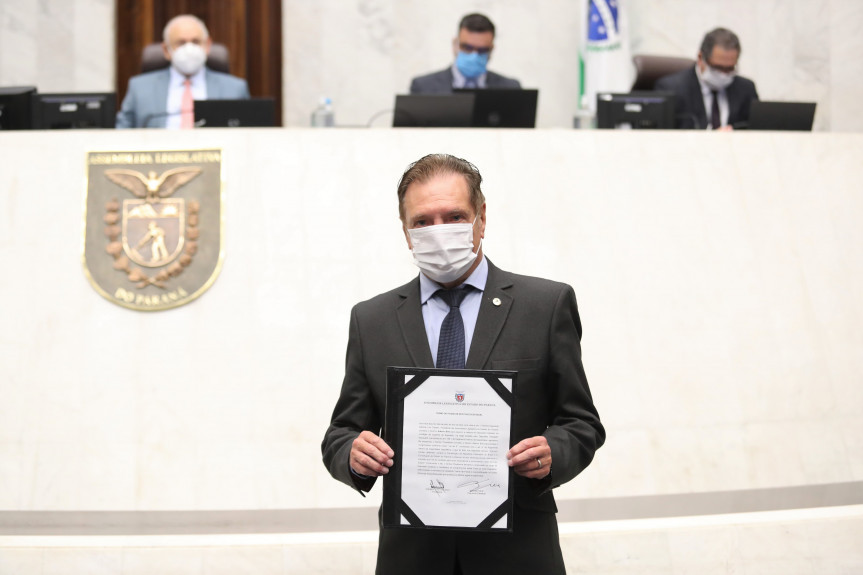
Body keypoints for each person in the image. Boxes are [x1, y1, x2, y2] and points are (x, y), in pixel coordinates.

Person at [321, 154, 605, 575]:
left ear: (481, 218)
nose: (438, 231)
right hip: (412, 557)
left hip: (519, 553)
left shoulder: (544, 306)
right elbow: (340, 433)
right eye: (422, 221)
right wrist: (352, 455)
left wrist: (553, 452)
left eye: (454, 216)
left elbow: (582, 423)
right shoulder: (372, 319)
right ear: (405, 230)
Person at [115, 14, 250, 129]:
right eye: (181, 43)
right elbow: (120, 133)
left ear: (208, 45)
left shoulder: (234, 89)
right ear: (166, 50)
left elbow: (249, 136)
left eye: (196, 42)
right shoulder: (139, 88)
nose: (189, 48)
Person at [655, 27, 758, 130]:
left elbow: (757, 131)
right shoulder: (672, 89)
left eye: (729, 68)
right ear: (700, 58)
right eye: (717, 68)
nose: (723, 74)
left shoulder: (746, 89)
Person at [409, 13, 521, 94]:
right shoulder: (423, 87)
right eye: (467, 47)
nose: (474, 55)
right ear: (455, 45)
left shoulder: (511, 88)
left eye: (482, 50)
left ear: (491, 49)